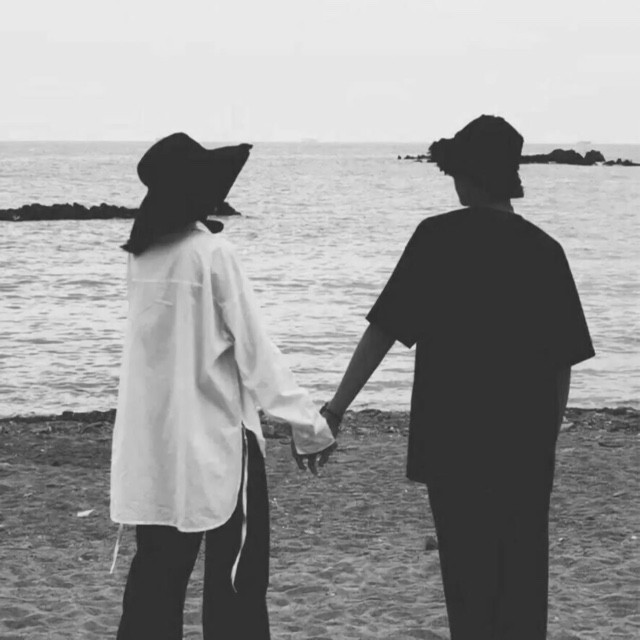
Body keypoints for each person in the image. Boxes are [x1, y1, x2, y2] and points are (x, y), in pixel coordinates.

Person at [321, 115, 595, 639]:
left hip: (452, 446)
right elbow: (562, 363)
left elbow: (383, 331)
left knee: (468, 587)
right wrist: (548, 438)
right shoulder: (546, 250)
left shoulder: (436, 237)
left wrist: (336, 409)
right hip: (525, 448)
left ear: (468, 175)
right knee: (522, 586)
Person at [110, 133, 337, 640]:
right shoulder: (213, 253)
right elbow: (256, 354)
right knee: (236, 584)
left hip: (157, 444)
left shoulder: (142, 256)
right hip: (219, 439)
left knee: (155, 582)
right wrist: (310, 425)